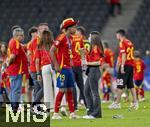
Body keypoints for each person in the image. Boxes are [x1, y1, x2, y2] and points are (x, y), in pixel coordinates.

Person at [50, 18, 80, 119]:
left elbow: (67, 52)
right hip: (62, 68)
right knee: (62, 90)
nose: (75, 28)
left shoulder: (70, 38)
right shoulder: (61, 37)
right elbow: (51, 50)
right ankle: (55, 113)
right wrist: (56, 65)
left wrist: (70, 60)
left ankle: (72, 113)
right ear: (68, 28)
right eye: (73, 27)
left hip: (69, 68)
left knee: (70, 89)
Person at [109, 29, 138, 110]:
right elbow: (122, 54)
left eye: (116, 35)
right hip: (131, 65)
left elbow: (124, 55)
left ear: (119, 35)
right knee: (130, 85)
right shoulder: (129, 42)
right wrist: (119, 62)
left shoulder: (122, 42)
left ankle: (117, 103)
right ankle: (135, 103)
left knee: (120, 85)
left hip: (125, 65)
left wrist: (121, 66)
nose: (116, 37)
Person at [83, 31, 104, 119]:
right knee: (86, 91)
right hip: (91, 70)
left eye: (90, 36)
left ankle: (96, 114)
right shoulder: (93, 47)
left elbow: (98, 62)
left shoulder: (95, 48)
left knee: (94, 93)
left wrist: (86, 62)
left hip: (94, 70)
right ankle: (90, 112)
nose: (88, 38)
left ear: (93, 38)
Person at [27, 23, 49, 107]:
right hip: (37, 69)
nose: (46, 30)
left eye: (47, 28)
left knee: (38, 89)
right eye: (44, 29)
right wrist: (34, 69)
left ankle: (36, 107)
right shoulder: (36, 41)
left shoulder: (43, 40)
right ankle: (34, 104)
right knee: (44, 87)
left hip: (39, 68)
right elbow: (30, 55)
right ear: (39, 31)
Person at [6, 27, 26, 112]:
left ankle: (13, 106)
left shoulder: (12, 41)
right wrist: (8, 64)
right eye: (21, 35)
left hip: (14, 70)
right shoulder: (16, 43)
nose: (23, 37)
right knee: (16, 90)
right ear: (17, 35)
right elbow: (13, 56)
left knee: (14, 89)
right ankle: (15, 107)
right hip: (16, 70)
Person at [35, 30, 54, 111]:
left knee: (46, 88)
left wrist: (38, 73)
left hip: (44, 67)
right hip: (53, 65)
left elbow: (37, 61)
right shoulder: (53, 44)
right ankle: (59, 106)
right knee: (57, 86)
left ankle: (49, 107)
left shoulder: (39, 46)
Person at [71, 27, 87, 110]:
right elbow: (82, 50)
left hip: (71, 64)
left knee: (73, 85)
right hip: (79, 64)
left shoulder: (69, 38)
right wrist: (83, 60)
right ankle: (87, 104)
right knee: (81, 85)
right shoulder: (80, 38)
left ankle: (75, 105)